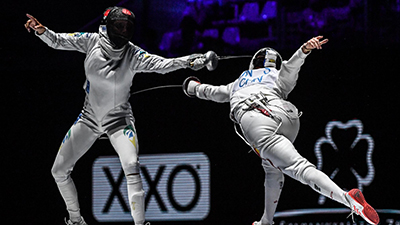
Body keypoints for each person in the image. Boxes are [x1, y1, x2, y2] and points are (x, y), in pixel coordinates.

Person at [24, 6, 208, 225]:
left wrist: (190, 61)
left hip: (119, 121)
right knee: (59, 171)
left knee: (131, 165)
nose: (123, 31)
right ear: (108, 25)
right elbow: (58, 40)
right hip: (89, 118)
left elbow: (163, 65)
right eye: (119, 25)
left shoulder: (133, 54)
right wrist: (41, 31)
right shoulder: (91, 41)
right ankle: (75, 220)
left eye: (127, 27)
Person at [182, 36, 379, 225]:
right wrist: (303, 51)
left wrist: (191, 86)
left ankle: (347, 199)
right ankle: (266, 221)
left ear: (253, 63)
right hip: (288, 117)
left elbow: (210, 92)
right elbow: (289, 70)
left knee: (299, 168)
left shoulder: (237, 83)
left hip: (257, 120)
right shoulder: (275, 75)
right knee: (272, 168)